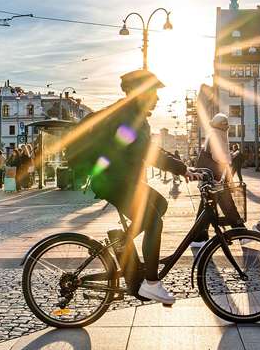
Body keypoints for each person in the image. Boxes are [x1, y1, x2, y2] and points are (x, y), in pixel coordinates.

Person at [77, 69, 200, 305]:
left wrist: (184, 167)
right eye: (153, 91)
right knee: (154, 221)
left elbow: (149, 148)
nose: (157, 97)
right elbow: (147, 153)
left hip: (121, 178)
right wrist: (182, 169)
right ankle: (151, 283)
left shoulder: (134, 115)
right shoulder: (127, 115)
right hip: (113, 180)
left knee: (160, 205)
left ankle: (122, 241)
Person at [191, 113, 246, 247]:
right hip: (215, 178)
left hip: (213, 177)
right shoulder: (217, 134)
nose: (227, 126)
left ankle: (198, 238)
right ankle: (241, 233)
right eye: (224, 123)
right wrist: (229, 158)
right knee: (227, 205)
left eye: (226, 123)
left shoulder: (214, 133)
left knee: (207, 207)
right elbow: (218, 157)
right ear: (219, 124)